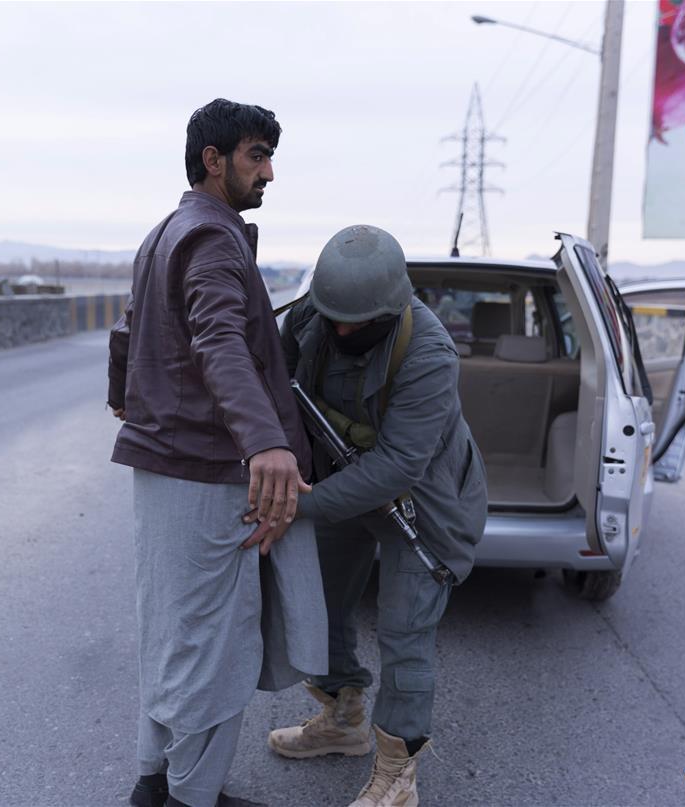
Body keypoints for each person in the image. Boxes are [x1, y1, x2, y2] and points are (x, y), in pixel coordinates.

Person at [107, 99, 327, 807]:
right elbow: (220, 339)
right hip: (207, 473)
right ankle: (190, 797)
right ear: (214, 159)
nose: (269, 172)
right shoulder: (212, 237)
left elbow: (130, 326)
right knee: (216, 647)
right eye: (257, 156)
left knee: (173, 637)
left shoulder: (166, 233)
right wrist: (266, 441)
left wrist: (126, 394)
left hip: (165, 465)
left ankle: (155, 784)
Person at [267, 225, 487, 806]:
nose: (341, 331)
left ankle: (397, 776)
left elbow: (396, 467)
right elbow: (273, 383)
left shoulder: (430, 354)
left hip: (423, 502)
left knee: (404, 632)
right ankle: (342, 721)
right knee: (318, 602)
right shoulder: (312, 316)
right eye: (333, 318)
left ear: (388, 312)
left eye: (356, 323)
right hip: (339, 479)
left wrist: (299, 505)